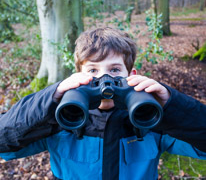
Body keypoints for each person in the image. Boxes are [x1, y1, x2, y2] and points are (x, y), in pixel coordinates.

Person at [0, 27, 206, 180]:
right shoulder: (62, 120)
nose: (104, 78)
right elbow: (4, 143)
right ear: (77, 76)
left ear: (131, 76)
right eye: (92, 71)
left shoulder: (149, 120)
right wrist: (50, 99)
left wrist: (171, 104)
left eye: (115, 70)